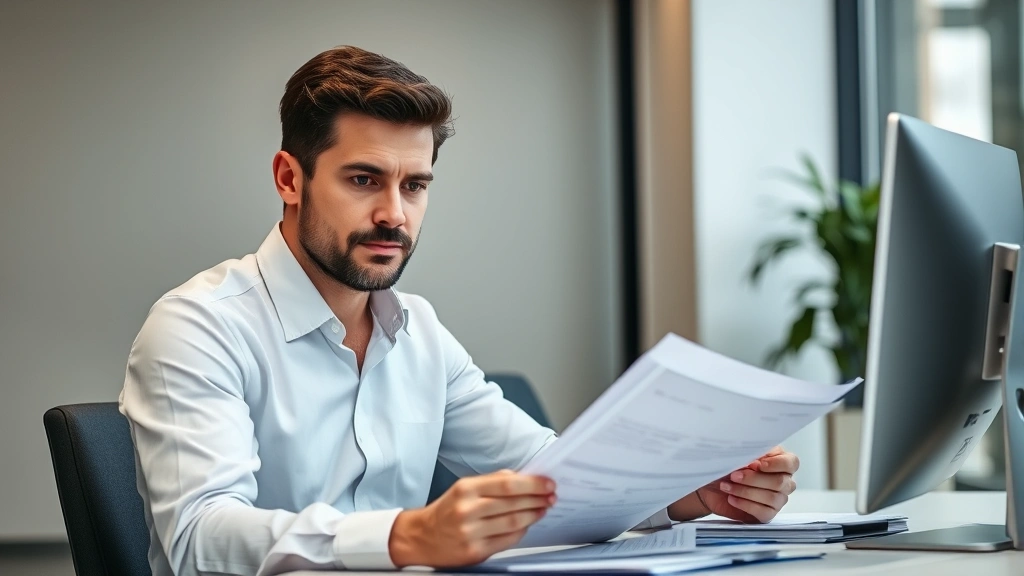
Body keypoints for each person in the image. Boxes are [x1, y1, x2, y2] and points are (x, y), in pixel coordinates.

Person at [119, 46, 799, 576]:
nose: (395, 213)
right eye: (364, 179)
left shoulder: (417, 332)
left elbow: (552, 476)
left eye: (415, 185)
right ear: (289, 178)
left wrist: (695, 494)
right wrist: (407, 534)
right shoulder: (199, 326)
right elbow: (199, 540)